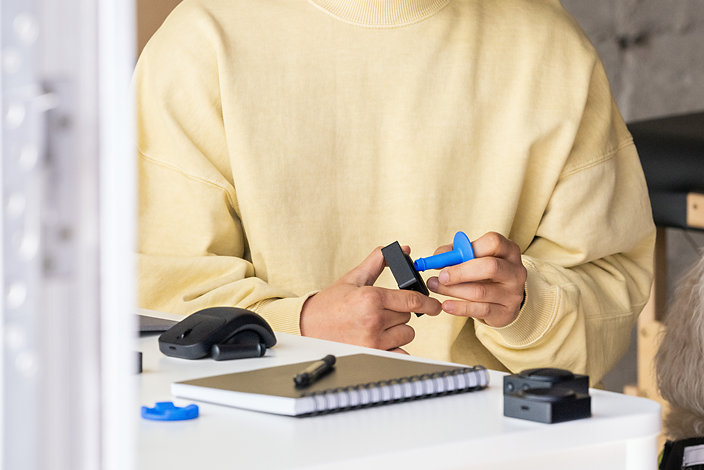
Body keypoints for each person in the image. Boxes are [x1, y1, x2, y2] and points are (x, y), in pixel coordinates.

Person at [135, 0, 655, 385]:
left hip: (494, 443)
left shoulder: (551, 47)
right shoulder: (202, 43)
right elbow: (151, 299)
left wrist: (526, 306)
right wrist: (299, 326)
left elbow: (613, 287)